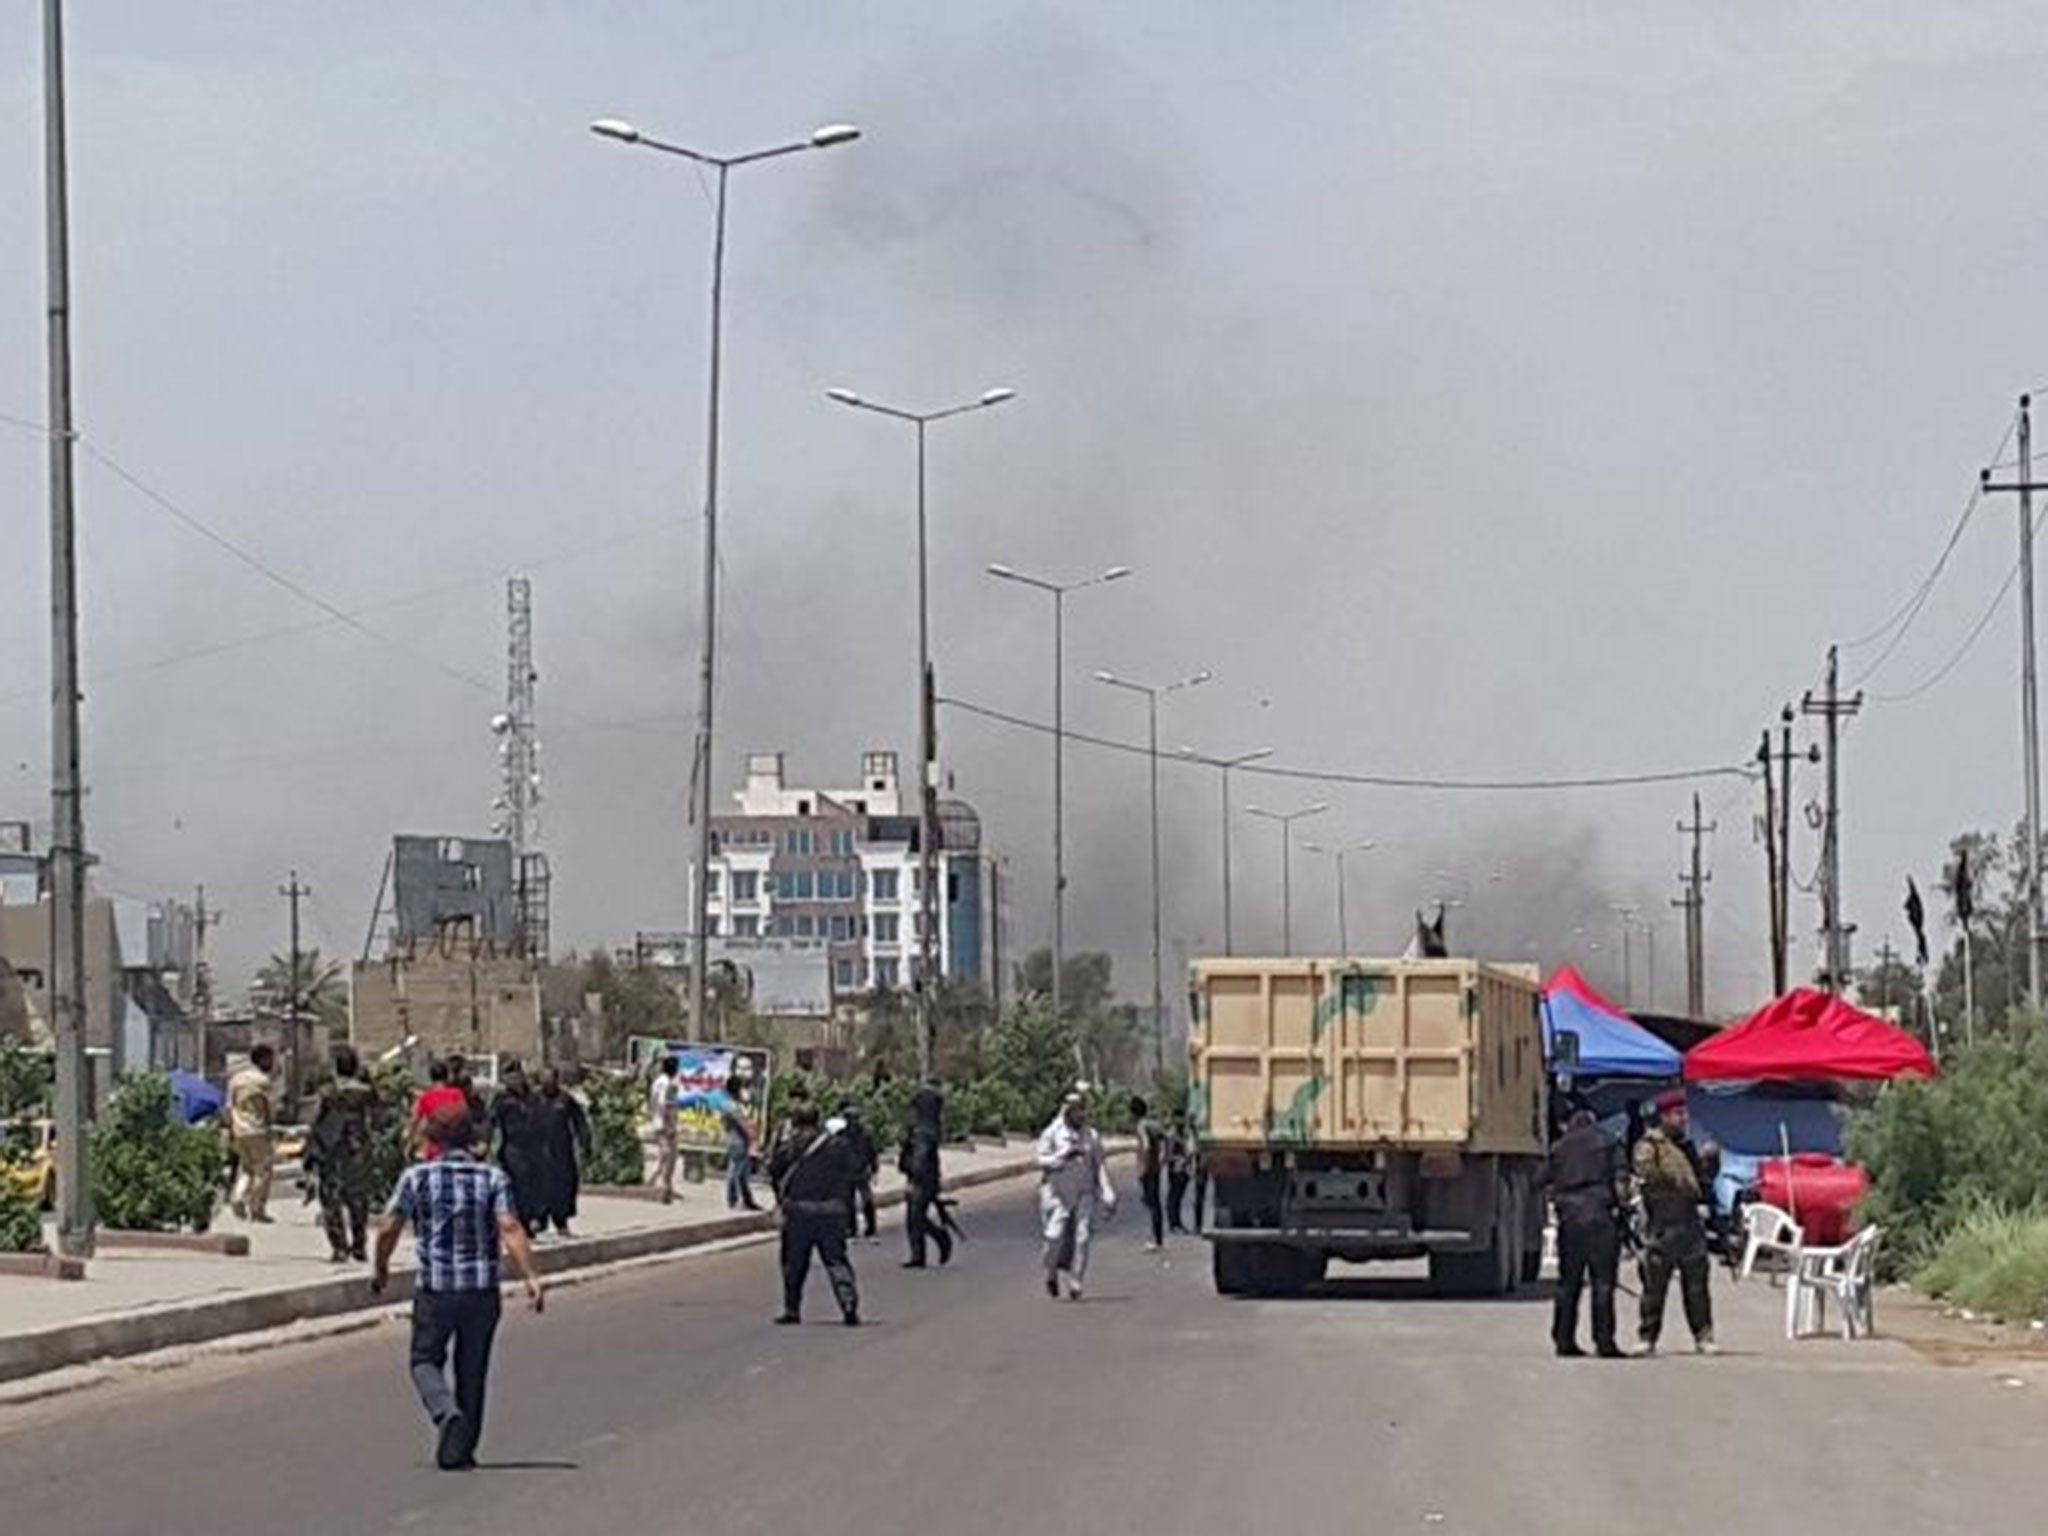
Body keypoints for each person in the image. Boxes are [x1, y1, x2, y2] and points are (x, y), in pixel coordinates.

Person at [372, 1102, 544, 1471]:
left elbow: (388, 1227)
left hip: (436, 1288)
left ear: (431, 1136)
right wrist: (531, 1276)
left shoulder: (416, 1178)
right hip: (481, 1289)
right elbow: (510, 1226)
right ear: (472, 1137)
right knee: (473, 1368)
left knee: (424, 1359)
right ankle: (459, 1451)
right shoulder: (492, 1177)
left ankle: (444, 1411)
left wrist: (380, 1268)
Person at [1634, 1089, 1717, 1356]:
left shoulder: (1687, 1146)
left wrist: (1709, 1164)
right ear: (1665, 1116)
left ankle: (1703, 1335)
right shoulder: (1651, 1146)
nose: (1684, 1119)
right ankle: (1648, 1337)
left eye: (1684, 1113)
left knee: (1696, 1286)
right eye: (1678, 1114)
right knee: (1654, 1286)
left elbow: (1702, 1182)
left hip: (1689, 1222)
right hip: (1663, 1221)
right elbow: (1647, 1174)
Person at [767, 1101, 861, 1326]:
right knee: (837, 1261)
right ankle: (848, 1303)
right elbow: (853, 1173)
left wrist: (782, 1201)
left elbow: (774, 1173)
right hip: (832, 1211)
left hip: (799, 1212)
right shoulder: (838, 1145)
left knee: (794, 1263)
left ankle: (792, 1309)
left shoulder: (790, 1147)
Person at [1547, 1107, 1626, 1359]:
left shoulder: (1559, 1148)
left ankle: (1563, 1340)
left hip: (1570, 1219)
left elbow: (1540, 1180)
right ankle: (1604, 1342)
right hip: (1601, 1217)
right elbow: (1621, 1182)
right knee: (1602, 1283)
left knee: (1568, 1283)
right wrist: (1623, 1209)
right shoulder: (1609, 1142)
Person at [1036, 1092, 1115, 1301]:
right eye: (1076, 1110)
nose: (1081, 1114)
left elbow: (1100, 1167)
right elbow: (1041, 1161)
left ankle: (1076, 1282)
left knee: (1082, 1237)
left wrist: (1108, 1192)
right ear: (1067, 1112)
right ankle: (1051, 1273)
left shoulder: (1092, 1135)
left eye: (1083, 1109)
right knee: (1053, 1237)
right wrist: (1063, 1156)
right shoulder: (1052, 1133)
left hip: (1084, 1193)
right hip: (1058, 1194)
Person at [307, 1045, 380, 1263]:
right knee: (358, 1200)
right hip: (358, 1149)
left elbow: (315, 1121)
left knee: (331, 1201)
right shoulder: (365, 1092)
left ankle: (339, 1247)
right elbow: (378, 1117)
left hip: (331, 1150)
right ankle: (359, 1244)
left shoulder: (328, 1092)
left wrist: (310, 1153)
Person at [489, 1067, 549, 1236]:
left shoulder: (533, 1098)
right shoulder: (502, 1099)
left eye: (517, 1077)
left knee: (534, 1185)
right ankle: (521, 1222)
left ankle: (533, 1218)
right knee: (518, 1184)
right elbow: (492, 1120)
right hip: (513, 1147)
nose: (515, 1081)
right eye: (511, 1078)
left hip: (534, 1146)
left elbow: (543, 1117)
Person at [899, 1081, 952, 1269]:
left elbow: (920, 1159)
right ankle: (919, 1254)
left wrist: (913, 1176)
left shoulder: (925, 1131)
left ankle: (936, 1241)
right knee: (915, 1217)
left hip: (923, 1179)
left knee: (915, 1217)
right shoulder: (927, 1128)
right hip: (923, 1177)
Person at [535, 1069, 591, 1236]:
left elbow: (579, 1121)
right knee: (539, 1187)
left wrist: (585, 1142)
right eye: (545, 1080)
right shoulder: (535, 1099)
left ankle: (562, 1223)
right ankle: (539, 1221)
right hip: (539, 1151)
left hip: (562, 1151)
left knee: (564, 1187)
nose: (548, 1084)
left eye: (551, 1080)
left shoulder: (565, 1099)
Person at [227, 1044, 278, 1223]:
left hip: (239, 1130)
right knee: (263, 1171)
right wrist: (272, 1129)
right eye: (271, 1058)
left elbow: (229, 1106)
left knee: (247, 1168)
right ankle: (257, 1209)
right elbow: (269, 1108)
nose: (274, 1062)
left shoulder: (236, 1079)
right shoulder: (263, 1081)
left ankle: (237, 1197)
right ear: (263, 1059)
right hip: (258, 1129)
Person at [838, 1100, 879, 1241]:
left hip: (862, 1171)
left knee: (867, 1200)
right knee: (848, 1202)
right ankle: (851, 1229)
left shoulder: (865, 1135)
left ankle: (871, 1227)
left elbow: (872, 1152)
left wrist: (874, 1169)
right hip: (846, 1173)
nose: (852, 1122)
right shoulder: (841, 1136)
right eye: (849, 1118)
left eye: (854, 1118)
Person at [1133, 1095, 1168, 1250]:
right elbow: (1166, 1139)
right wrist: (1163, 1158)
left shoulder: (1141, 1126)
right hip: (1156, 1168)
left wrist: (1143, 1168)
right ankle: (1158, 1238)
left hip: (1148, 1169)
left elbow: (1146, 1146)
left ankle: (1154, 1239)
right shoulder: (1154, 1124)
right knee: (1155, 1204)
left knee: (1150, 1203)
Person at [413, 1060, 467, 1160]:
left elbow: (415, 1120)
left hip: (434, 1147)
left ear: (431, 1077)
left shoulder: (425, 1097)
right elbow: (464, 1115)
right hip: (457, 1144)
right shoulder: (457, 1094)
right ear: (447, 1076)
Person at [722, 1077, 761, 1211]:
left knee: (740, 1171)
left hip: (736, 1140)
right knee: (737, 1172)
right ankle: (736, 1199)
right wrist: (752, 1135)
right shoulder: (731, 1105)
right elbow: (741, 1122)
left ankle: (744, 1199)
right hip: (738, 1141)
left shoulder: (731, 1103)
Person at [649, 1055, 679, 1204]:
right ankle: (663, 1189)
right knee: (669, 1158)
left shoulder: (657, 1082)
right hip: (665, 1124)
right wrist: (670, 1125)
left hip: (656, 1121)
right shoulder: (669, 1084)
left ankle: (662, 1186)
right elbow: (665, 1105)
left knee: (663, 1155)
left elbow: (654, 1103)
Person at [1165, 1112, 1193, 1234]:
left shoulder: (1184, 1134)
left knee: (1177, 1198)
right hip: (1176, 1169)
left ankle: (1177, 1223)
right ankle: (1174, 1224)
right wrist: (1180, 1160)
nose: (1182, 1121)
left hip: (1183, 1169)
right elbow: (1169, 1155)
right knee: (1174, 1198)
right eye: (1179, 1118)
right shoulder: (1172, 1135)